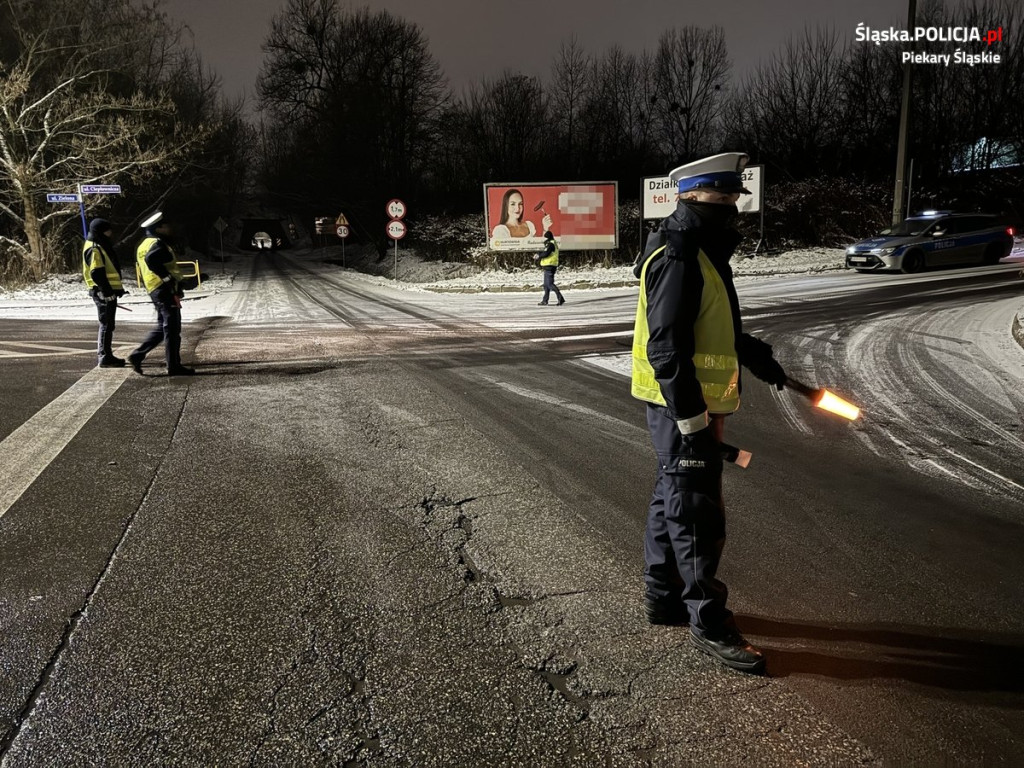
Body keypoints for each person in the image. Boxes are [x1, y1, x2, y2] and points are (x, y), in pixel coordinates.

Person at [631, 152, 788, 674]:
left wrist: (751, 352)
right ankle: (708, 621)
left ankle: (662, 596)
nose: (732, 210)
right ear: (693, 198)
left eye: (733, 200)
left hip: (680, 401)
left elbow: (705, 324)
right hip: (683, 402)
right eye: (722, 201)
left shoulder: (698, 247)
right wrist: (694, 421)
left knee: (670, 495)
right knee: (696, 511)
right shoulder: (680, 252)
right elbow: (667, 347)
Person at [128, 212, 195, 376]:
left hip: (155, 289)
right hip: (163, 289)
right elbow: (152, 261)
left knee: (162, 327)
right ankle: (174, 366)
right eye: (166, 226)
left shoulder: (144, 244)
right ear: (158, 228)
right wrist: (167, 279)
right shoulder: (158, 244)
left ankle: (137, 355)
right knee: (172, 329)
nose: (170, 229)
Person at [82, 218, 126, 368]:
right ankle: (104, 356)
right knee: (106, 324)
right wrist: (107, 291)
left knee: (108, 324)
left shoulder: (97, 245)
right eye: (108, 230)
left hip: (105, 292)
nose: (110, 233)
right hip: (102, 293)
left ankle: (107, 354)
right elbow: (97, 272)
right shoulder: (95, 248)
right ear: (101, 231)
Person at [533, 230, 565, 305]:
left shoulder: (551, 244)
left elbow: (546, 253)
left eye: (545, 238)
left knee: (550, 284)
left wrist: (539, 256)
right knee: (546, 285)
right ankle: (545, 300)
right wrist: (539, 254)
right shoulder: (551, 244)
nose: (544, 241)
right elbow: (545, 252)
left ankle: (561, 298)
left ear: (548, 238)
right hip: (548, 266)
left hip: (550, 266)